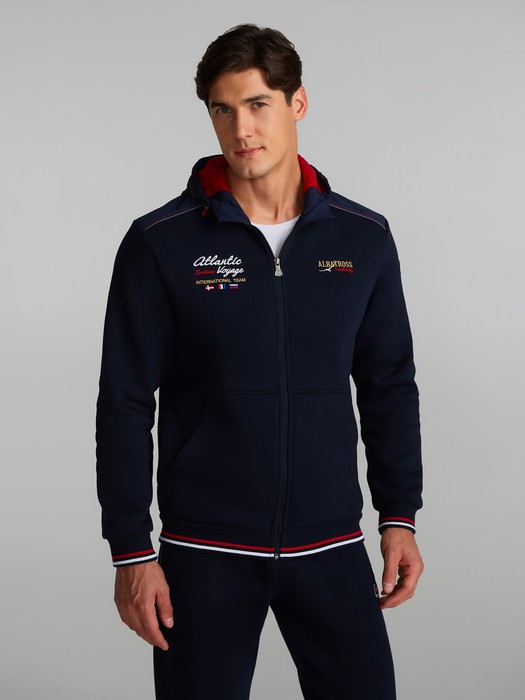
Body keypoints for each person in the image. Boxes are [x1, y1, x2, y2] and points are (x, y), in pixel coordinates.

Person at [95, 23, 424, 700]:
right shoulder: (161, 242)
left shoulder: (362, 238)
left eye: (257, 104)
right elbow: (124, 400)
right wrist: (131, 549)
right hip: (203, 552)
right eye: (222, 109)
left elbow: (388, 383)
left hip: (330, 544)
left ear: (297, 103)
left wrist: (399, 515)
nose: (240, 128)